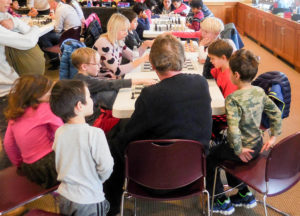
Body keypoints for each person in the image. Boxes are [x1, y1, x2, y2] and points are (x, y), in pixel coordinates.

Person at [104, 34, 213, 216]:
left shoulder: (150, 94)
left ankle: (113, 206)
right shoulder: (201, 83)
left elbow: (129, 138)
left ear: (152, 65)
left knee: (114, 143)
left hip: (151, 177)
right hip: (193, 170)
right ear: (183, 60)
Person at [206, 49, 282, 215]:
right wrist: (274, 137)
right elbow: (276, 113)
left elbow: (232, 128)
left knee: (211, 156)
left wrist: (238, 150)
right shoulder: (260, 91)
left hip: (242, 149)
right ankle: (244, 194)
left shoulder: (233, 99)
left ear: (236, 75)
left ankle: (219, 200)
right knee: (225, 154)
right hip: (258, 145)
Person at [50, 80, 114, 216]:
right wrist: (98, 180)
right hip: (89, 199)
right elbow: (107, 167)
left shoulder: (59, 132)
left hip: (64, 196)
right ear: (79, 106)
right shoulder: (95, 134)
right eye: (89, 97)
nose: (91, 100)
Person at [0, 0, 40, 170]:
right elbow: (29, 39)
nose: (11, 1)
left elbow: (27, 29)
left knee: (15, 136)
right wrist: (27, 28)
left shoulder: (5, 16)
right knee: (9, 139)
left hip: (14, 87)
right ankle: (7, 188)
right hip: (4, 91)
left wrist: (15, 23)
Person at [71, 47, 155, 128]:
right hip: (96, 122)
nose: (100, 66)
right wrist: (140, 81)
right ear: (84, 67)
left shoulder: (81, 77)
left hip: (100, 115)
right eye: (97, 64)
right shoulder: (84, 81)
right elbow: (110, 84)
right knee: (134, 120)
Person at [4, 75, 63, 188]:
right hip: (51, 163)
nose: (51, 93)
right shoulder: (45, 107)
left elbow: (8, 144)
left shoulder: (14, 114)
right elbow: (61, 132)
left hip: (31, 168)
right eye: (48, 91)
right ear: (36, 94)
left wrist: (19, 164)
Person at [94, 13, 148, 78]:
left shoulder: (119, 41)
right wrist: (141, 60)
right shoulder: (103, 43)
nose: (127, 33)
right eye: (123, 30)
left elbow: (133, 56)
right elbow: (117, 71)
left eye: (126, 30)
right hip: (103, 82)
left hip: (113, 80)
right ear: (113, 29)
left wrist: (146, 44)